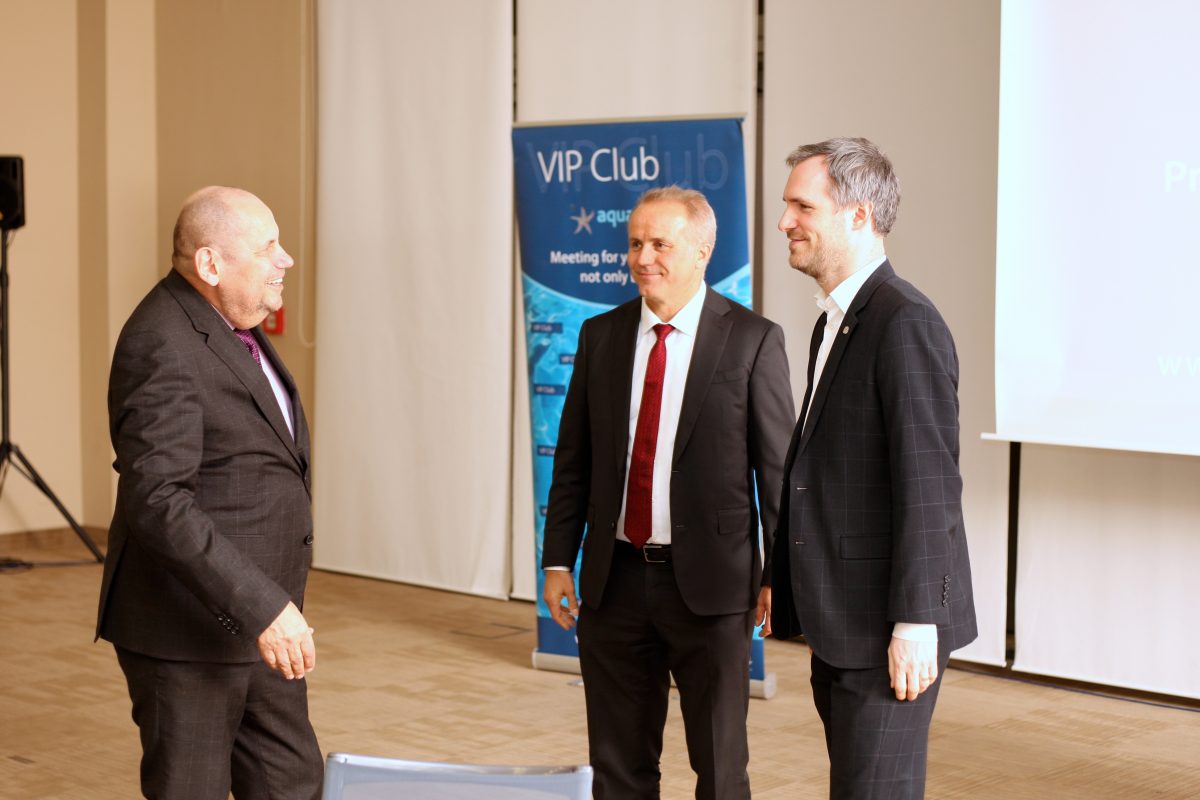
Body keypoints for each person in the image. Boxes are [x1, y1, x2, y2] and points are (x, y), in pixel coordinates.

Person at [542, 186, 794, 799]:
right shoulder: (600, 335)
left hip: (713, 588)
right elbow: (574, 460)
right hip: (615, 583)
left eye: (660, 243)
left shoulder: (752, 340)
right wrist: (557, 560)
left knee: (720, 768)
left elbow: (777, 473)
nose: (642, 257)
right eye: (634, 243)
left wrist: (778, 575)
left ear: (703, 251)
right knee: (618, 766)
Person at [760, 138, 977, 799]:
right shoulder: (836, 321)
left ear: (859, 216)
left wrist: (916, 622)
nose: (784, 221)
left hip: (888, 628)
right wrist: (778, 575)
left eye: (803, 206)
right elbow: (815, 467)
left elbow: (929, 487)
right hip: (842, 621)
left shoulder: (905, 322)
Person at [95, 186, 323, 800]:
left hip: (259, 628)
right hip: (189, 634)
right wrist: (262, 607)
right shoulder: (160, 340)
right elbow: (158, 499)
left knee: (292, 783)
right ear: (210, 263)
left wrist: (268, 611)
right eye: (268, 246)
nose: (286, 259)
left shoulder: (230, 323)